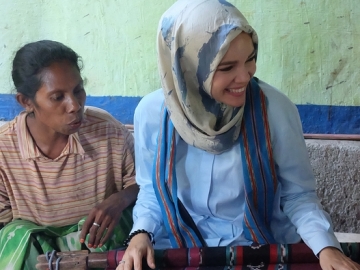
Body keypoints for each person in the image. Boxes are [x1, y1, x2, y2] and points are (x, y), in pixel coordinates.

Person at [117, 1, 360, 270]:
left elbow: (297, 195)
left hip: (260, 250)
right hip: (178, 248)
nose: (244, 76)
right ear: (188, 66)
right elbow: (152, 190)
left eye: (250, 59)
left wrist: (326, 248)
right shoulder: (152, 114)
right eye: (226, 67)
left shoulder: (275, 110)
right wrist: (140, 233)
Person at [0, 40, 138, 269]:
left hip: (99, 249)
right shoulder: (4, 149)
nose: (74, 105)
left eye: (78, 90)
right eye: (57, 97)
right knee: (16, 235)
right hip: (37, 259)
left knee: (124, 220)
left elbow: (145, 185)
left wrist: (119, 200)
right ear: (26, 102)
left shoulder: (107, 131)